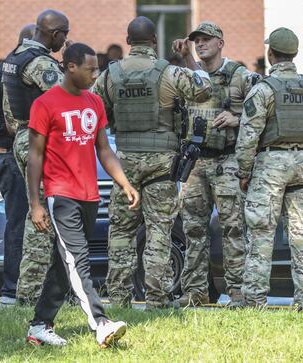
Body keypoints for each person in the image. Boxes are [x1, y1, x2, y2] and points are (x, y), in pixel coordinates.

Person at [93, 16, 212, 309]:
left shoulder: (110, 75)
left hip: (124, 166)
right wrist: (189, 59)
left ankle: (119, 297)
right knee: (159, 230)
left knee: (121, 231)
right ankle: (156, 298)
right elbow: (204, 88)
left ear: (128, 40)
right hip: (162, 165)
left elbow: (96, 109)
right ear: (154, 42)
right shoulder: (169, 72)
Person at [26, 43, 138, 347]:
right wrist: (35, 203)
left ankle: (39, 324)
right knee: (79, 259)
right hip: (60, 194)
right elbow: (34, 157)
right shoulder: (45, 104)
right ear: (70, 67)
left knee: (65, 264)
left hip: (89, 195)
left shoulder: (94, 102)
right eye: (90, 69)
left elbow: (104, 149)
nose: (95, 74)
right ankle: (100, 323)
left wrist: (124, 182)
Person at [235, 28, 303, 309]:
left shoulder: (263, 89)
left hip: (270, 166)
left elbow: (248, 136)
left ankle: (254, 299)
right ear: (295, 53)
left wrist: (244, 172)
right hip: (302, 164)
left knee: (261, 232)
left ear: (271, 53)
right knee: (302, 235)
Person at [171, 21, 259, 307]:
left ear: (221, 43)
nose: (200, 44)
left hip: (227, 161)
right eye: (197, 40)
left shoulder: (240, 77)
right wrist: (184, 57)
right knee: (193, 229)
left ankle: (237, 292)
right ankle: (195, 292)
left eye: (206, 39)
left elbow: (268, 114)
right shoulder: (188, 76)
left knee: (233, 228)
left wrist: (239, 119)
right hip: (195, 163)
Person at [2, 9, 68, 304]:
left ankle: (36, 294)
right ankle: (28, 297)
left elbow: (8, 114)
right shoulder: (40, 63)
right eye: (64, 35)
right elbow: (69, 98)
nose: (65, 41)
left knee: (39, 217)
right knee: (39, 222)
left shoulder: (14, 58)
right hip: (38, 143)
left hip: (22, 137)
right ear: (55, 34)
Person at [0, 23, 35, 306]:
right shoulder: (12, 70)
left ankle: (24, 286)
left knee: (25, 220)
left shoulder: (8, 66)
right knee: (18, 220)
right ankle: (11, 290)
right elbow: (11, 121)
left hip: (8, 151)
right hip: (8, 151)